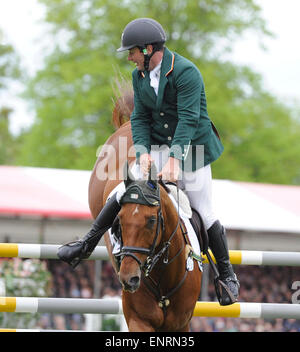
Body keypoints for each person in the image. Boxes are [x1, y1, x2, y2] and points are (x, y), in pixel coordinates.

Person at [58, 18, 239, 305]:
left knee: (204, 210)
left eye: (131, 52)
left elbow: (189, 120)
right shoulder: (139, 76)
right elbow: (140, 118)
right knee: (123, 192)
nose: (129, 57)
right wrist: (142, 153)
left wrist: (175, 160)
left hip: (193, 146)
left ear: (147, 49)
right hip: (156, 143)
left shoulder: (186, 72)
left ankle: (227, 276)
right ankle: (85, 244)